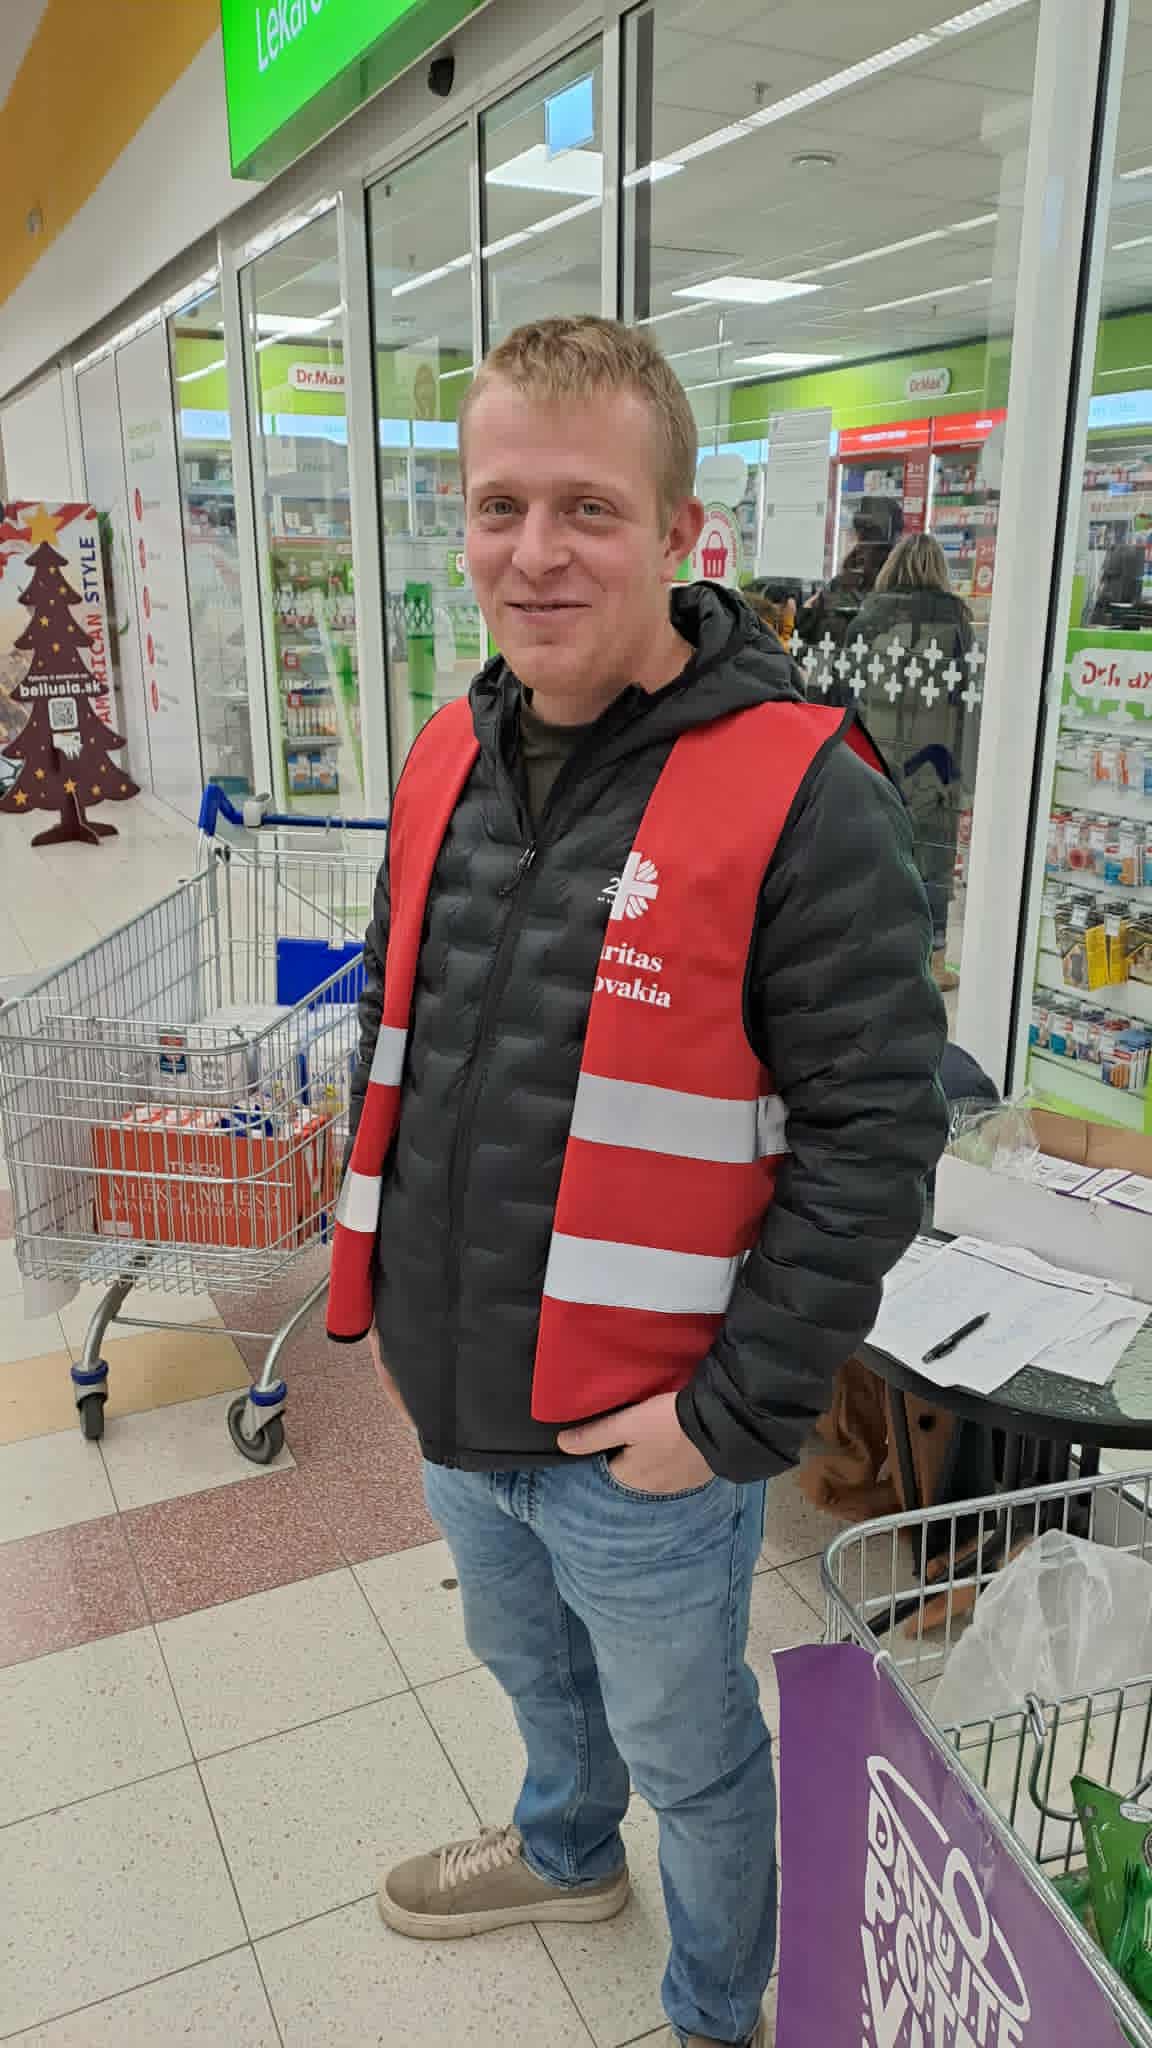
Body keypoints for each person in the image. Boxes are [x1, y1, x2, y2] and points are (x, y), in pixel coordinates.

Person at [329, 316, 948, 2048]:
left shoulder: (803, 792)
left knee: (692, 1744)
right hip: (459, 1394)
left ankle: (713, 2007)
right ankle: (563, 1847)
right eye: (499, 505)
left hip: (649, 1441)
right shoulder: (443, 755)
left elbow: (875, 1139)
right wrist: (391, 1297)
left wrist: (733, 1415)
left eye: (588, 509)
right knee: (528, 1668)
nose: (534, 553)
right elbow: (400, 1027)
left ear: (681, 532)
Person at [849, 532, 975, 989]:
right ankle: (933, 960)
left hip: (874, 756)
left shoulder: (866, 622)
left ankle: (871, 951)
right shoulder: (958, 626)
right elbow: (967, 702)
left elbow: (850, 695)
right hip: (937, 760)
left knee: (874, 855)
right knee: (934, 863)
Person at [794, 494, 903, 653]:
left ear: (858, 534)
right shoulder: (900, 585)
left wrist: (807, 608)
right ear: (896, 537)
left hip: (830, 664)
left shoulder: (840, 583)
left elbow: (802, 631)